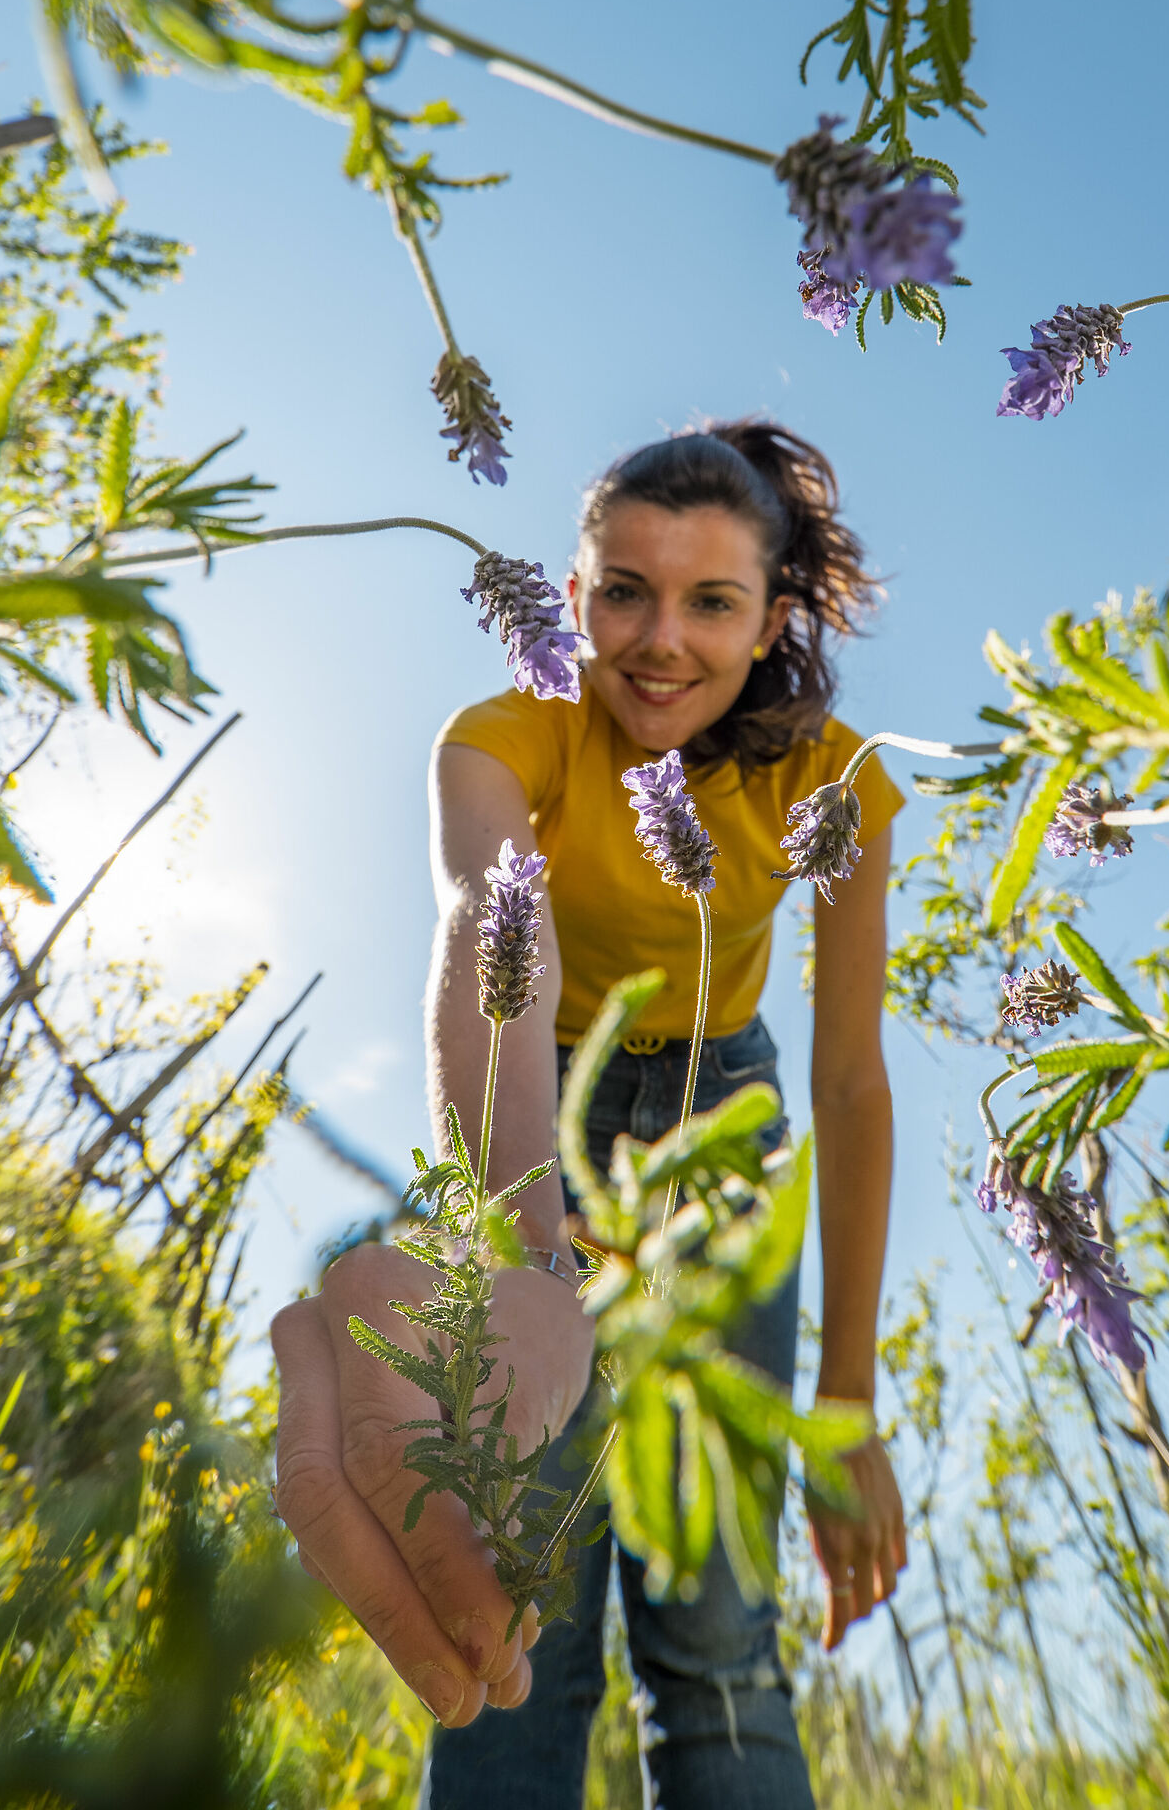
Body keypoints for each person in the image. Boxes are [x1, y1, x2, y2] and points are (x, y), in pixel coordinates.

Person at [272, 420, 908, 1806]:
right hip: (529, 1099)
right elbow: (498, 948)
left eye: (712, 601)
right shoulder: (504, 739)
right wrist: (526, 1252)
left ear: (772, 620)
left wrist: (847, 1404)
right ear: (569, 600)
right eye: (623, 590)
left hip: (721, 1122)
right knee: (511, 1599)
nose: (659, 640)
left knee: (717, 1620)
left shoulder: (838, 783)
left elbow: (852, 1081)